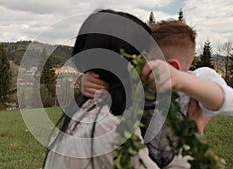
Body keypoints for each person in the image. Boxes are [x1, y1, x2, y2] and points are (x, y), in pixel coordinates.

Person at [80, 20, 233, 168]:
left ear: (171, 67)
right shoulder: (141, 84)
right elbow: (113, 83)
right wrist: (88, 80)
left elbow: (230, 102)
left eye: (146, 63)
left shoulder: (197, 81)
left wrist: (180, 80)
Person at [43, 9, 159, 169]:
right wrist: (198, 121)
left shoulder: (81, 115)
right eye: (146, 60)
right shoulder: (109, 132)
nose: (152, 68)